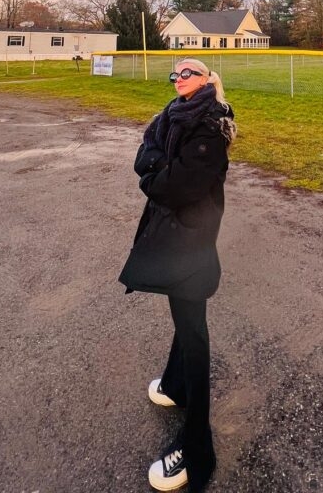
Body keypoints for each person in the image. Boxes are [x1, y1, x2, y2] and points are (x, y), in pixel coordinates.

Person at [119, 58, 236, 492]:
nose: (179, 78)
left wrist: (153, 173)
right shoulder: (169, 117)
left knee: (194, 335)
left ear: (207, 80)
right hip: (174, 235)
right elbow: (144, 155)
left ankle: (195, 451)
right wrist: (155, 170)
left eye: (188, 72)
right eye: (175, 73)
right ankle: (173, 384)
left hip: (191, 243)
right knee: (185, 318)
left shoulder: (209, 128)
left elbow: (174, 185)